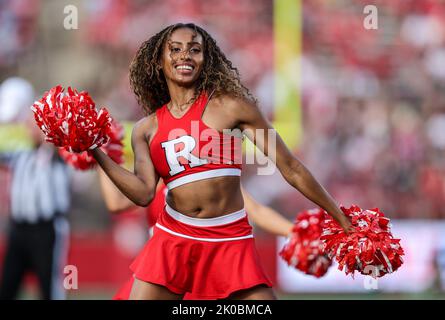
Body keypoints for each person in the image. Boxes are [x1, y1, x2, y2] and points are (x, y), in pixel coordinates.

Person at [91, 23, 352, 300]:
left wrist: (341, 220)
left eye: (195, 49)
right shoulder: (146, 129)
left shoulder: (233, 108)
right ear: (159, 61)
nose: (185, 56)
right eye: (175, 50)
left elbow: (292, 168)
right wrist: (95, 150)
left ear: (207, 59)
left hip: (230, 239)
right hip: (174, 241)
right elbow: (142, 194)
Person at [97, 168, 293, 300]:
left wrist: (296, 232)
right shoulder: (158, 170)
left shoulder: (213, 170)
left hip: (205, 273)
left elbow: (256, 211)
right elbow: (117, 203)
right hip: (162, 272)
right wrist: (100, 154)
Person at [0, 115, 71, 300]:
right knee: (8, 285)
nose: (31, 130)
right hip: (19, 229)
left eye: (36, 126)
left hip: (45, 229)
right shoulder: (22, 154)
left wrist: (50, 131)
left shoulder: (55, 152)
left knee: (49, 287)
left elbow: (64, 151)